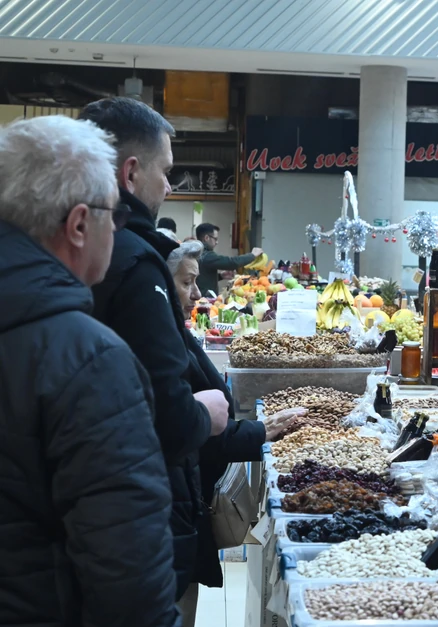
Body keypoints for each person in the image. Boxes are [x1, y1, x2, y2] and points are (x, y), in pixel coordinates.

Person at [0, 115, 180, 626]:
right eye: (113, 216)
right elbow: (127, 572)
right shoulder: (87, 360)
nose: (118, 228)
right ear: (79, 224)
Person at [79, 97, 229, 603]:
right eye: (165, 172)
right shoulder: (136, 263)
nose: (169, 186)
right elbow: (164, 408)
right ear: (130, 172)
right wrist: (205, 413)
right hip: (134, 506)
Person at [166, 241, 303, 627]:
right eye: (187, 282)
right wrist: (260, 431)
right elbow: (188, 428)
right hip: (174, 508)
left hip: (183, 507)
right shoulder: (159, 344)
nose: (197, 293)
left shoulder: (174, 332)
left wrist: (258, 429)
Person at [195, 222, 263, 296]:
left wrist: (220, 276)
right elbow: (232, 262)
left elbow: (201, 278)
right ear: (206, 238)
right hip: (204, 299)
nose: (217, 242)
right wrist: (252, 255)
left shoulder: (197, 252)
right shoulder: (206, 255)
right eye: (215, 239)